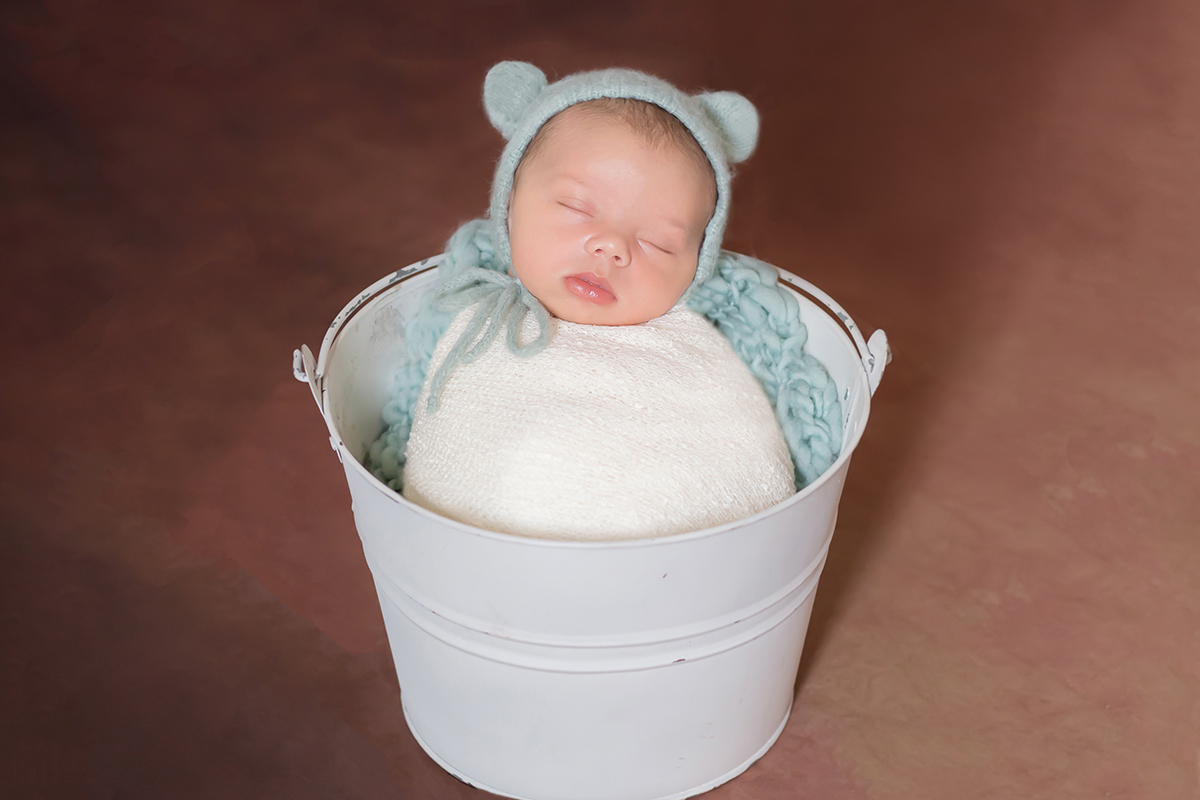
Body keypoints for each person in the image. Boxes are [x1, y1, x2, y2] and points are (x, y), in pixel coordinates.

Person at [366, 62, 843, 541]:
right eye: (576, 207)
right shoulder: (474, 317)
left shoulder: (705, 349)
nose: (612, 246)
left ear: (697, 265)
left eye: (658, 242)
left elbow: (738, 459)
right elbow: (427, 419)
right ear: (509, 205)